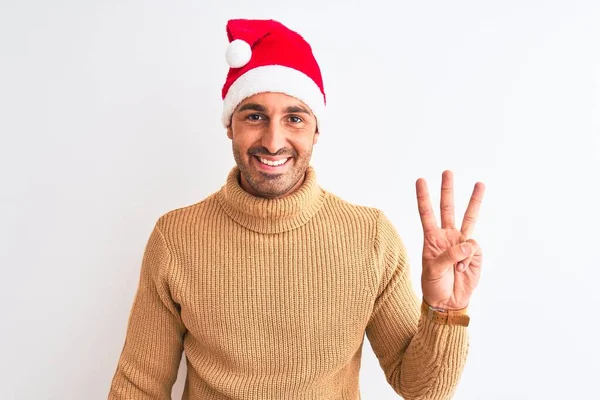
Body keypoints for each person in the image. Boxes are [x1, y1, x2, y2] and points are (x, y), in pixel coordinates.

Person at [108, 18, 485, 400]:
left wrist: (445, 312)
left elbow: (422, 390)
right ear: (229, 126)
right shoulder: (176, 237)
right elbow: (139, 387)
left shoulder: (371, 237)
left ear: (315, 130)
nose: (273, 142)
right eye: (254, 116)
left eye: (294, 118)